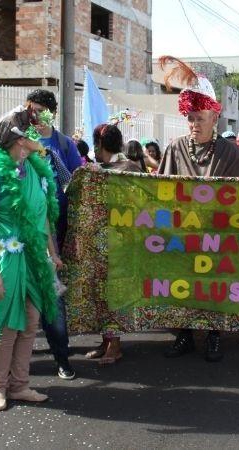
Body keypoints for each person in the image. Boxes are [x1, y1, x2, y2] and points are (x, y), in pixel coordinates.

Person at [158, 55, 239, 362]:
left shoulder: (233, 154)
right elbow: (160, 188)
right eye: (190, 118)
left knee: (215, 287)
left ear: (215, 118)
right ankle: (184, 335)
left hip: (218, 234)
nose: (194, 124)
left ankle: (214, 336)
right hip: (183, 234)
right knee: (182, 286)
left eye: (200, 118)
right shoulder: (175, 148)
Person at [0, 109, 64, 411]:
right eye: (29, 134)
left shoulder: (36, 170)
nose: (35, 138)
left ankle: (20, 385)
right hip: (4, 256)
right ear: (17, 139)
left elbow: (45, 217)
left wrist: (53, 252)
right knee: (7, 323)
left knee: (30, 322)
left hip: (34, 255)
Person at [26, 89, 80, 380]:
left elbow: (78, 183)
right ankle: (16, 364)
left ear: (51, 112)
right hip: (21, 234)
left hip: (54, 231)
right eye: (29, 111)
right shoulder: (18, 141)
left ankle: (62, 357)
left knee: (53, 295)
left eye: (38, 111)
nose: (33, 117)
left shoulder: (63, 144)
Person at [84, 124, 146, 365]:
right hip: (99, 243)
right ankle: (106, 341)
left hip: (121, 244)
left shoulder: (128, 169)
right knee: (100, 292)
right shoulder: (96, 169)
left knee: (115, 293)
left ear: (99, 145)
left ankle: (115, 345)